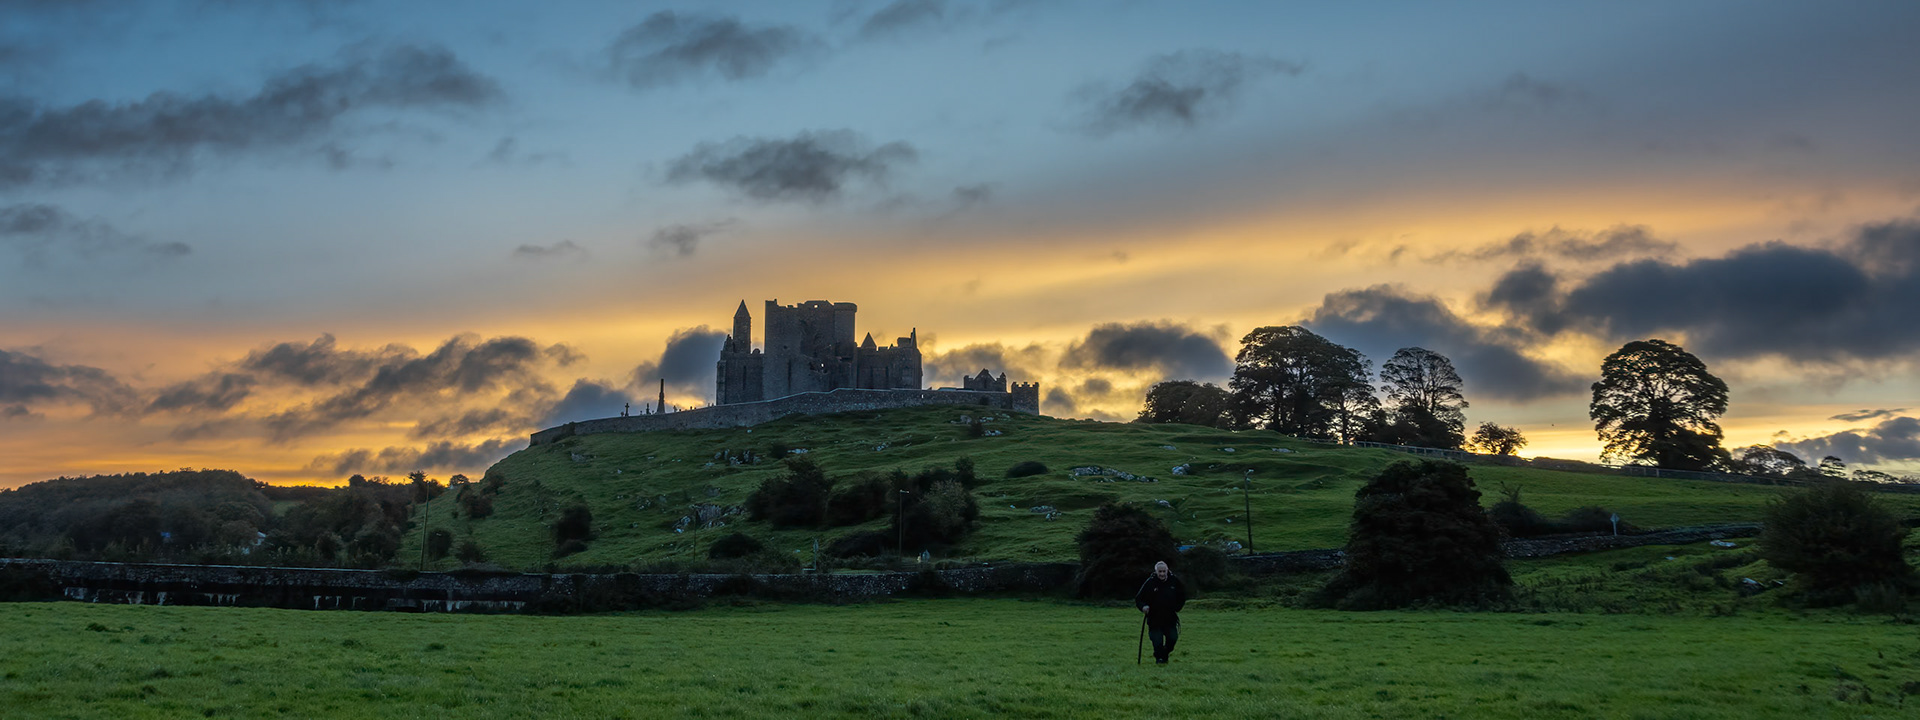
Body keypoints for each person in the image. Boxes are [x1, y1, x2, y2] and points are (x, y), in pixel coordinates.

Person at [1134, 560, 1186, 664]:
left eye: (1163, 571)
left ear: (1167, 571)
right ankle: (1160, 659)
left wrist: (1177, 607)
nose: (1162, 574)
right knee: (1157, 642)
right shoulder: (1150, 582)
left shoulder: (1174, 581)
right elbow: (1139, 598)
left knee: (1172, 639)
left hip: (1170, 618)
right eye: (1160, 572)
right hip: (1154, 619)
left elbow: (1182, 596)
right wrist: (1143, 607)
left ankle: (1164, 654)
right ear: (1156, 571)